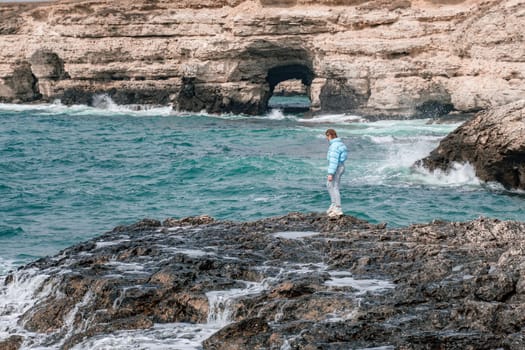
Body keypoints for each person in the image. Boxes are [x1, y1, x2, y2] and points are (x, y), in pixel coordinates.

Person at [325, 129, 348, 217]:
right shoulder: (341, 144)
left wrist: (330, 173)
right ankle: (333, 204)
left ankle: (338, 208)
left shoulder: (334, 146)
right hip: (340, 166)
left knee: (334, 187)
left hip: (337, 167)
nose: (327, 138)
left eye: (327, 136)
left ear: (329, 135)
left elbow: (334, 161)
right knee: (329, 184)